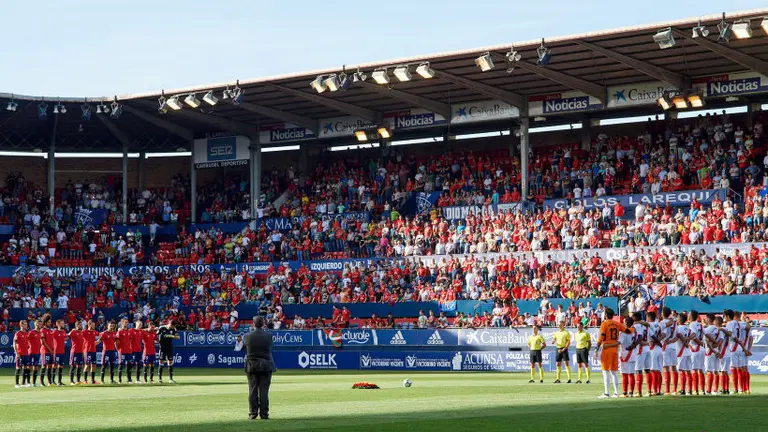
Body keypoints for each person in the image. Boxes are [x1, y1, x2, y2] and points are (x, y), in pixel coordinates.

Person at [244, 316, 276, 420]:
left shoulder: (248, 336)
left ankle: (253, 413)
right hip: (266, 365)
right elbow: (270, 347)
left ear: (253, 324)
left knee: (252, 390)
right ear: (263, 324)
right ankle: (264, 414)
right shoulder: (268, 335)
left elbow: (246, 347)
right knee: (264, 391)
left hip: (252, 366)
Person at [595, 308, 623, 398]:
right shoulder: (617, 324)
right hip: (615, 349)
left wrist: (596, 349)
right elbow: (626, 330)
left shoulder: (604, 324)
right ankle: (616, 393)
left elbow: (601, 337)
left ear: (606, 315)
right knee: (614, 372)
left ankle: (607, 393)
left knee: (605, 371)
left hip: (606, 349)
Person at [618, 316, 638, 398]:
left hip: (625, 354)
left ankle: (625, 392)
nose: (623, 323)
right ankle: (631, 392)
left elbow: (619, 342)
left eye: (624, 322)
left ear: (626, 323)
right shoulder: (634, 332)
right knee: (631, 374)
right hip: (632, 354)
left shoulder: (623, 333)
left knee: (624, 374)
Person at [703, 313, 722, 395]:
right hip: (716, 351)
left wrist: (713, 349)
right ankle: (716, 390)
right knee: (716, 370)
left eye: (706, 318)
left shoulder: (707, 330)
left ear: (708, 319)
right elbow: (721, 340)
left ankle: (709, 390)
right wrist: (717, 350)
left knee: (709, 371)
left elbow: (707, 342)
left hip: (709, 352)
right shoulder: (717, 329)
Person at [687, 311, 705, 395]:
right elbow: (706, 334)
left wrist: (699, 343)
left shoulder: (692, 324)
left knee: (694, 370)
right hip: (701, 349)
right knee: (700, 370)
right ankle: (702, 390)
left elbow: (693, 335)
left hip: (695, 348)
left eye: (689, 314)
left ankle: (694, 390)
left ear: (691, 316)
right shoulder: (700, 325)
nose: (688, 315)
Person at [631, 312, 648, 397]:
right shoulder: (645, 325)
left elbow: (639, 337)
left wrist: (634, 344)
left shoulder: (636, 326)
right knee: (647, 370)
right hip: (647, 348)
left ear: (635, 317)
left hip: (640, 348)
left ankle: (639, 392)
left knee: (638, 370)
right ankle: (650, 391)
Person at [646, 311, 663, 396]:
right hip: (659, 348)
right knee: (658, 369)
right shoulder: (659, 324)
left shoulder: (649, 325)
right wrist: (659, 341)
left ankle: (654, 390)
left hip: (652, 348)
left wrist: (654, 341)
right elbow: (663, 334)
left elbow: (651, 337)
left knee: (652, 369)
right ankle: (659, 390)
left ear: (648, 317)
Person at [13, 320, 31, 388]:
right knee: (18, 368)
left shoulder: (27, 333)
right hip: (20, 354)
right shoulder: (18, 333)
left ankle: (23, 383)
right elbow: (14, 344)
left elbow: (28, 343)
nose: (26, 325)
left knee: (26, 368)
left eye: (26, 324)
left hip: (26, 354)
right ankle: (17, 384)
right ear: (21, 325)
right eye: (25, 324)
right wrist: (17, 353)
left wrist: (28, 347)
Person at [116, 318, 134, 384]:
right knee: (121, 365)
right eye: (125, 322)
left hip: (128, 351)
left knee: (129, 365)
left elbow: (131, 339)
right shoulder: (120, 331)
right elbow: (116, 342)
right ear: (122, 323)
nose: (126, 323)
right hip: (122, 351)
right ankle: (119, 380)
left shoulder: (129, 331)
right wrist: (118, 349)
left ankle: (129, 379)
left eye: (127, 322)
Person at [68, 320, 85, 385]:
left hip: (80, 351)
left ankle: (78, 380)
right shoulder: (73, 331)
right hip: (74, 351)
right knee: (73, 366)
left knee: (79, 366)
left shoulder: (82, 332)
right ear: (76, 325)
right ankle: (71, 381)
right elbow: (68, 336)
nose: (81, 326)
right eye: (79, 325)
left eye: (81, 325)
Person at [53, 319, 68, 386]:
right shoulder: (55, 332)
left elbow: (65, 338)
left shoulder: (64, 331)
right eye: (62, 323)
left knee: (61, 366)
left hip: (62, 351)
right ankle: (52, 381)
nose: (63, 324)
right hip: (56, 351)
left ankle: (59, 381)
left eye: (63, 323)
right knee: (54, 366)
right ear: (58, 324)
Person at [28, 320, 43, 387]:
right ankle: (28, 382)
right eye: (39, 324)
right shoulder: (31, 332)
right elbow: (27, 339)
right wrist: (29, 346)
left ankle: (33, 383)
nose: (41, 325)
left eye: (41, 324)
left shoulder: (40, 332)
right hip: (31, 352)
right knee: (29, 367)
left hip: (37, 352)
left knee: (36, 367)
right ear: (36, 324)